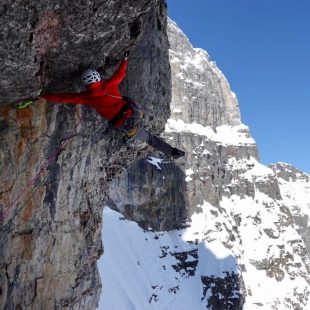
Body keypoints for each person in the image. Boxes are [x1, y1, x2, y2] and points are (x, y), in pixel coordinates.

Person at [42, 52, 185, 159]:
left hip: (126, 126)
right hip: (134, 111)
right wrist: (125, 60)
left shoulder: (86, 97)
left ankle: (173, 152)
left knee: (149, 139)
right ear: (98, 77)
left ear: (85, 83)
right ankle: (171, 151)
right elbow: (120, 74)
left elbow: (63, 97)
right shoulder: (109, 85)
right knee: (125, 99)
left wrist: (44, 95)